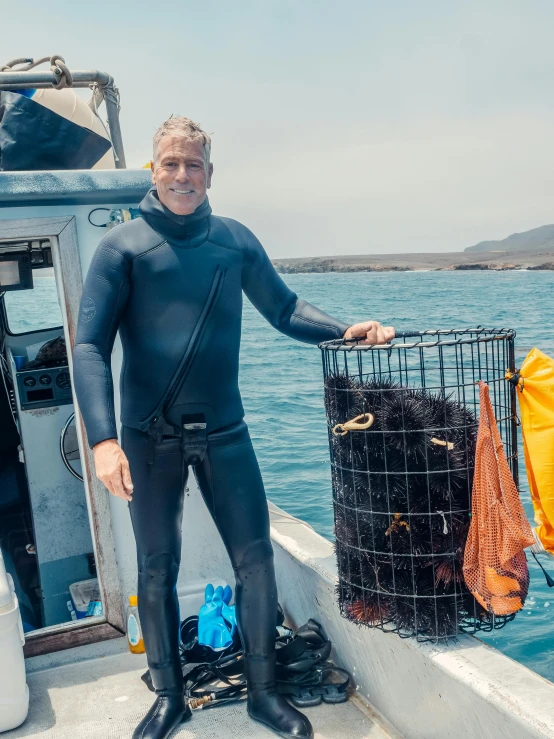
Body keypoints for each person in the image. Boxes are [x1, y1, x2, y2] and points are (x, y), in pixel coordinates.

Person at [73, 117, 395, 739]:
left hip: (226, 430)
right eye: (170, 163)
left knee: (255, 560)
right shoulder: (123, 249)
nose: (182, 175)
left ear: (210, 173)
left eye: (193, 164)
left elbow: (284, 308)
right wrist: (103, 439)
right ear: (153, 170)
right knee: (156, 566)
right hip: (147, 435)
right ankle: (169, 698)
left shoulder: (234, 241)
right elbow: (89, 346)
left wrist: (343, 329)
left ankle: (264, 695)